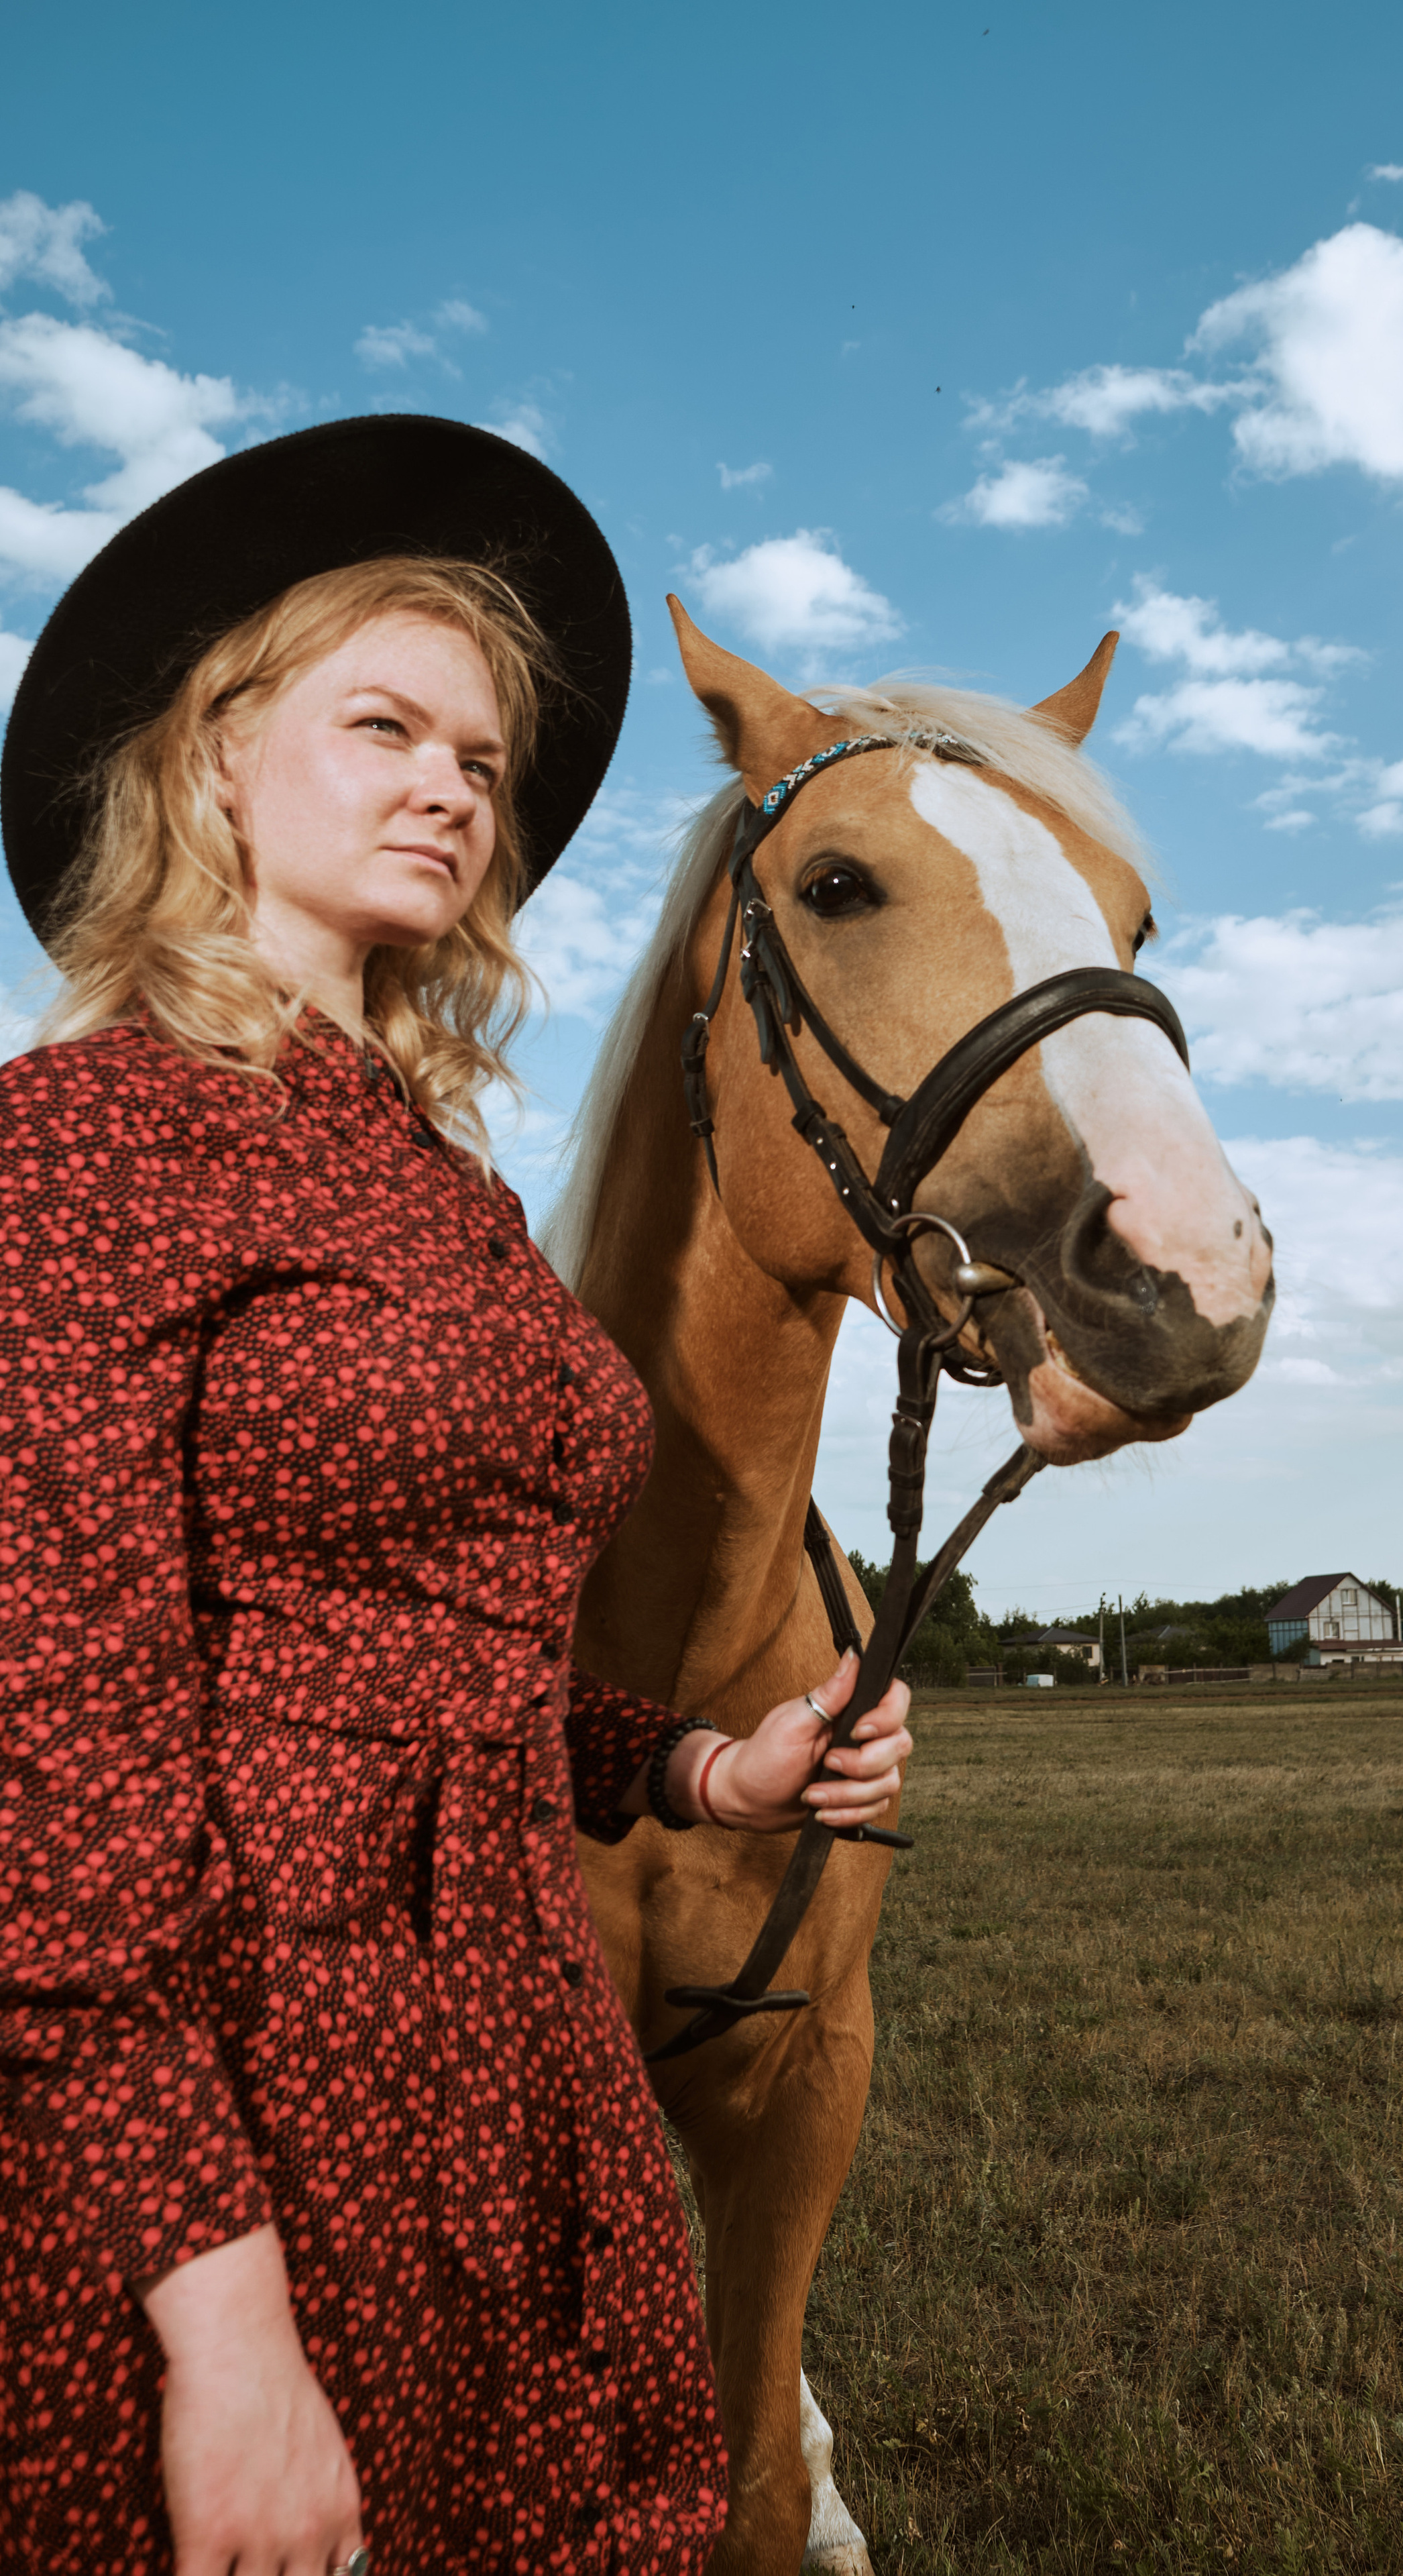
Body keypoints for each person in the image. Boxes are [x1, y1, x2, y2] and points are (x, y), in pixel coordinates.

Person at [0, 416, 913, 2576]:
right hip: (240, 2108)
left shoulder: (443, 1191)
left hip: (521, 2067)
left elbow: (464, 1659)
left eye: (484, 763)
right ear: (211, 755)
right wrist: (219, 2325)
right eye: (385, 725)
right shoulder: (76, 1150)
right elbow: (46, 1782)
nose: (451, 786)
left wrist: (706, 1763)